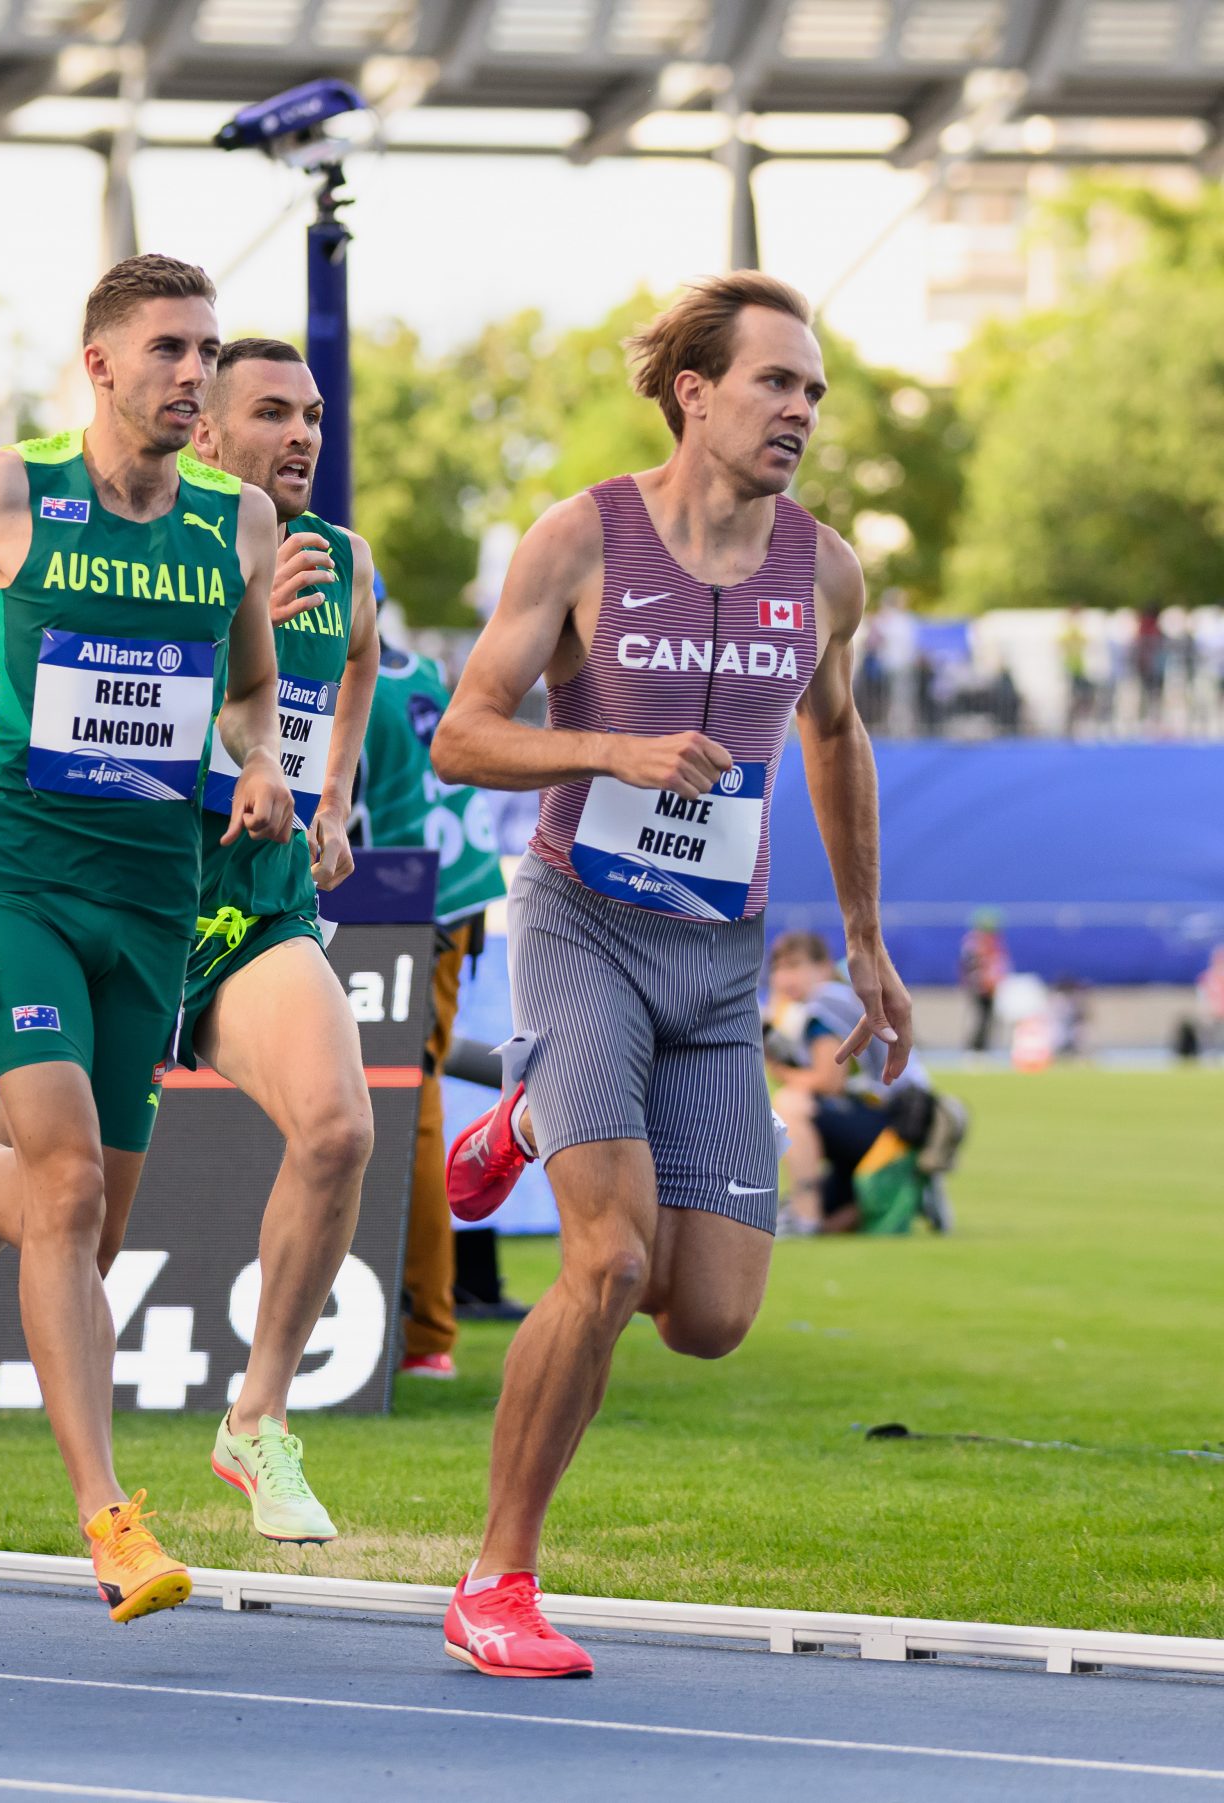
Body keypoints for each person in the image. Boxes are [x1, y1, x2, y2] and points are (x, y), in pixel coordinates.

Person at [429, 272, 910, 1678]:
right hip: (580, 925)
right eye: (776, 383)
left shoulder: (824, 570)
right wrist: (609, 750)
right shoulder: (582, 536)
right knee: (609, 1259)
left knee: (707, 1316)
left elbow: (834, 734)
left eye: (814, 390)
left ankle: (529, 1117)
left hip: (717, 960)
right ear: (695, 393)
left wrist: (866, 938)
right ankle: (496, 1579)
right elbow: (463, 735)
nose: (800, 411)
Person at [0, 255, 295, 1624]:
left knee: (64, 1225)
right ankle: (111, 1519)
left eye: (206, 351)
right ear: (98, 363)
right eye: (168, 349)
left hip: (155, 899)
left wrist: (265, 762)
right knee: (64, 1190)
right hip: (20, 876)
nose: (194, 374)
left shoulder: (238, 520)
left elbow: (250, 689)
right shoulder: (6, 490)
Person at [357, 605, 510, 1380]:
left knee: (407, 1107)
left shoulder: (347, 688)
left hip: (406, 909)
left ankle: (425, 1329)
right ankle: (421, 1323)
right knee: (403, 1103)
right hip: (452, 897)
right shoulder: (417, 670)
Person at [765, 930, 933, 1233]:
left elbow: (828, 1082)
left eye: (795, 965)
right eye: (777, 968)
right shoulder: (835, 995)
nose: (785, 976)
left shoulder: (824, 1001)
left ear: (823, 967)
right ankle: (913, 1189)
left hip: (897, 1120)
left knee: (790, 1102)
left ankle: (805, 1213)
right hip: (894, 1119)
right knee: (833, 1219)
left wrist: (779, 1069)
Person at [959, 909, 1009, 1052]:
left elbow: (998, 964)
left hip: (989, 985)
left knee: (988, 1016)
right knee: (981, 1015)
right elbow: (970, 964)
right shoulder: (974, 943)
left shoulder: (992, 943)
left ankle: (982, 1044)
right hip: (979, 985)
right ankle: (976, 1045)